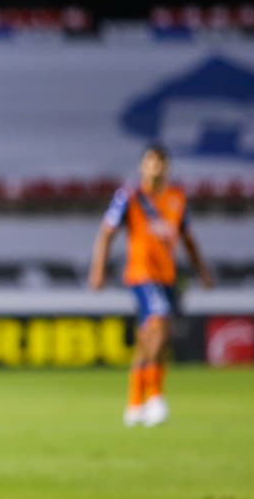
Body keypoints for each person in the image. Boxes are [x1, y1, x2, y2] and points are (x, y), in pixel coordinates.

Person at [89, 142, 213, 426]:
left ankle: (134, 403)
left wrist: (202, 271)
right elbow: (107, 233)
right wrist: (98, 270)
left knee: (150, 339)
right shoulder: (129, 197)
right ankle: (156, 397)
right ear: (142, 166)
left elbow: (188, 239)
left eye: (160, 162)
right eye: (150, 161)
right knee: (158, 324)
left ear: (166, 166)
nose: (155, 167)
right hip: (141, 274)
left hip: (167, 276)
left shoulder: (176, 198)